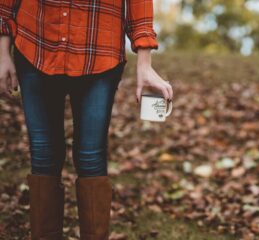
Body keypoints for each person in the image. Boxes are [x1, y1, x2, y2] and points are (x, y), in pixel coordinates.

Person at [0, 0, 173, 239]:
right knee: (43, 154)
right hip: (36, 44)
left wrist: (144, 62)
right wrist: (3, 51)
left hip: (99, 52)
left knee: (91, 157)